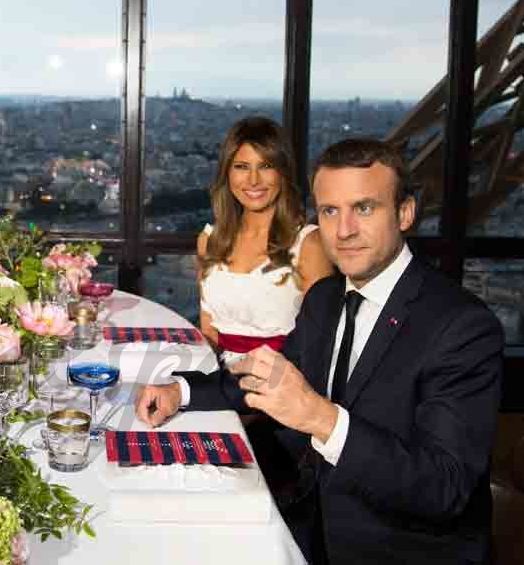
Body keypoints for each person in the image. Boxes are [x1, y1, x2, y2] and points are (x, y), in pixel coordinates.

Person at [136, 138, 504, 564]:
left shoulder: (463, 328)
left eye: (364, 208)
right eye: (330, 211)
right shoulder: (327, 298)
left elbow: (444, 488)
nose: (344, 230)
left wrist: (321, 418)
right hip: (310, 526)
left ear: (405, 214)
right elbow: (275, 379)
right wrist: (180, 392)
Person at [197, 117, 333, 361]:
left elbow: (318, 346)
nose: (253, 180)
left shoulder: (310, 245)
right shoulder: (209, 241)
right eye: (241, 167)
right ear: (226, 173)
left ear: (283, 172)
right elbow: (209, 332)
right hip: (217, 382)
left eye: (266, 166)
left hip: (282, 384)